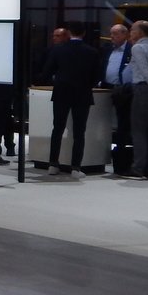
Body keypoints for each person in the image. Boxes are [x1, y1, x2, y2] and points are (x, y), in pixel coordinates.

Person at [40, 20, 101, 177]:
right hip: (82, 94)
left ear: (68, 32)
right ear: (84, 33)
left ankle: (53, 164)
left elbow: (47, 72)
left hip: (61, 93)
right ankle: (75, 168)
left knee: (57, 128)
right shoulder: (92, 52)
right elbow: (96, 77)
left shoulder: (58, 50)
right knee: (79, 132)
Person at [100, 22, 133, 175]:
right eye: (111, 33)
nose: (112, 37)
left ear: (125, 35)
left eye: (116, 34)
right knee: (102, 122)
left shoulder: (132, 50)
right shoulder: (107, 50)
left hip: (124, 91)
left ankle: (121, 155)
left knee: (123, 123)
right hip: (106, 89)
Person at [123, 20, 148, 181]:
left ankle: (138, 167)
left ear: (140, 33)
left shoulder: (138, 47)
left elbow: (145, 69)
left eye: (132, 30)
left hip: (143, 88)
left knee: (139, 129)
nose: (130, 32)